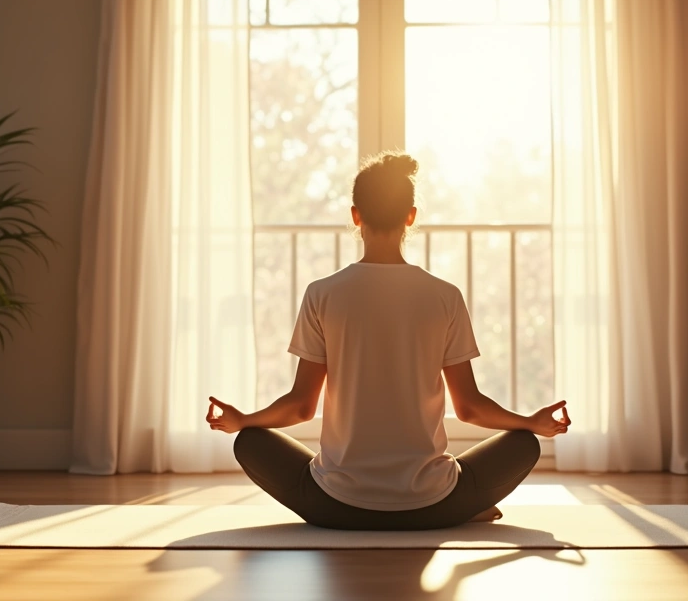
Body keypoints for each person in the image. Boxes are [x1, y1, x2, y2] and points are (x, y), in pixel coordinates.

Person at [206, 151, 571, 531]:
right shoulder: (444, 296)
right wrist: (531, 422)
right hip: (430, 506)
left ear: (355, 215)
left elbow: (299, 407)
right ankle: (461, 508)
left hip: (334, 506)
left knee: (249, 442)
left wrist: (243, 420)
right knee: (524, 444)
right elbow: (470, 408)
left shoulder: (322, 294)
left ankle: (434, 506)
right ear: (410, 216)